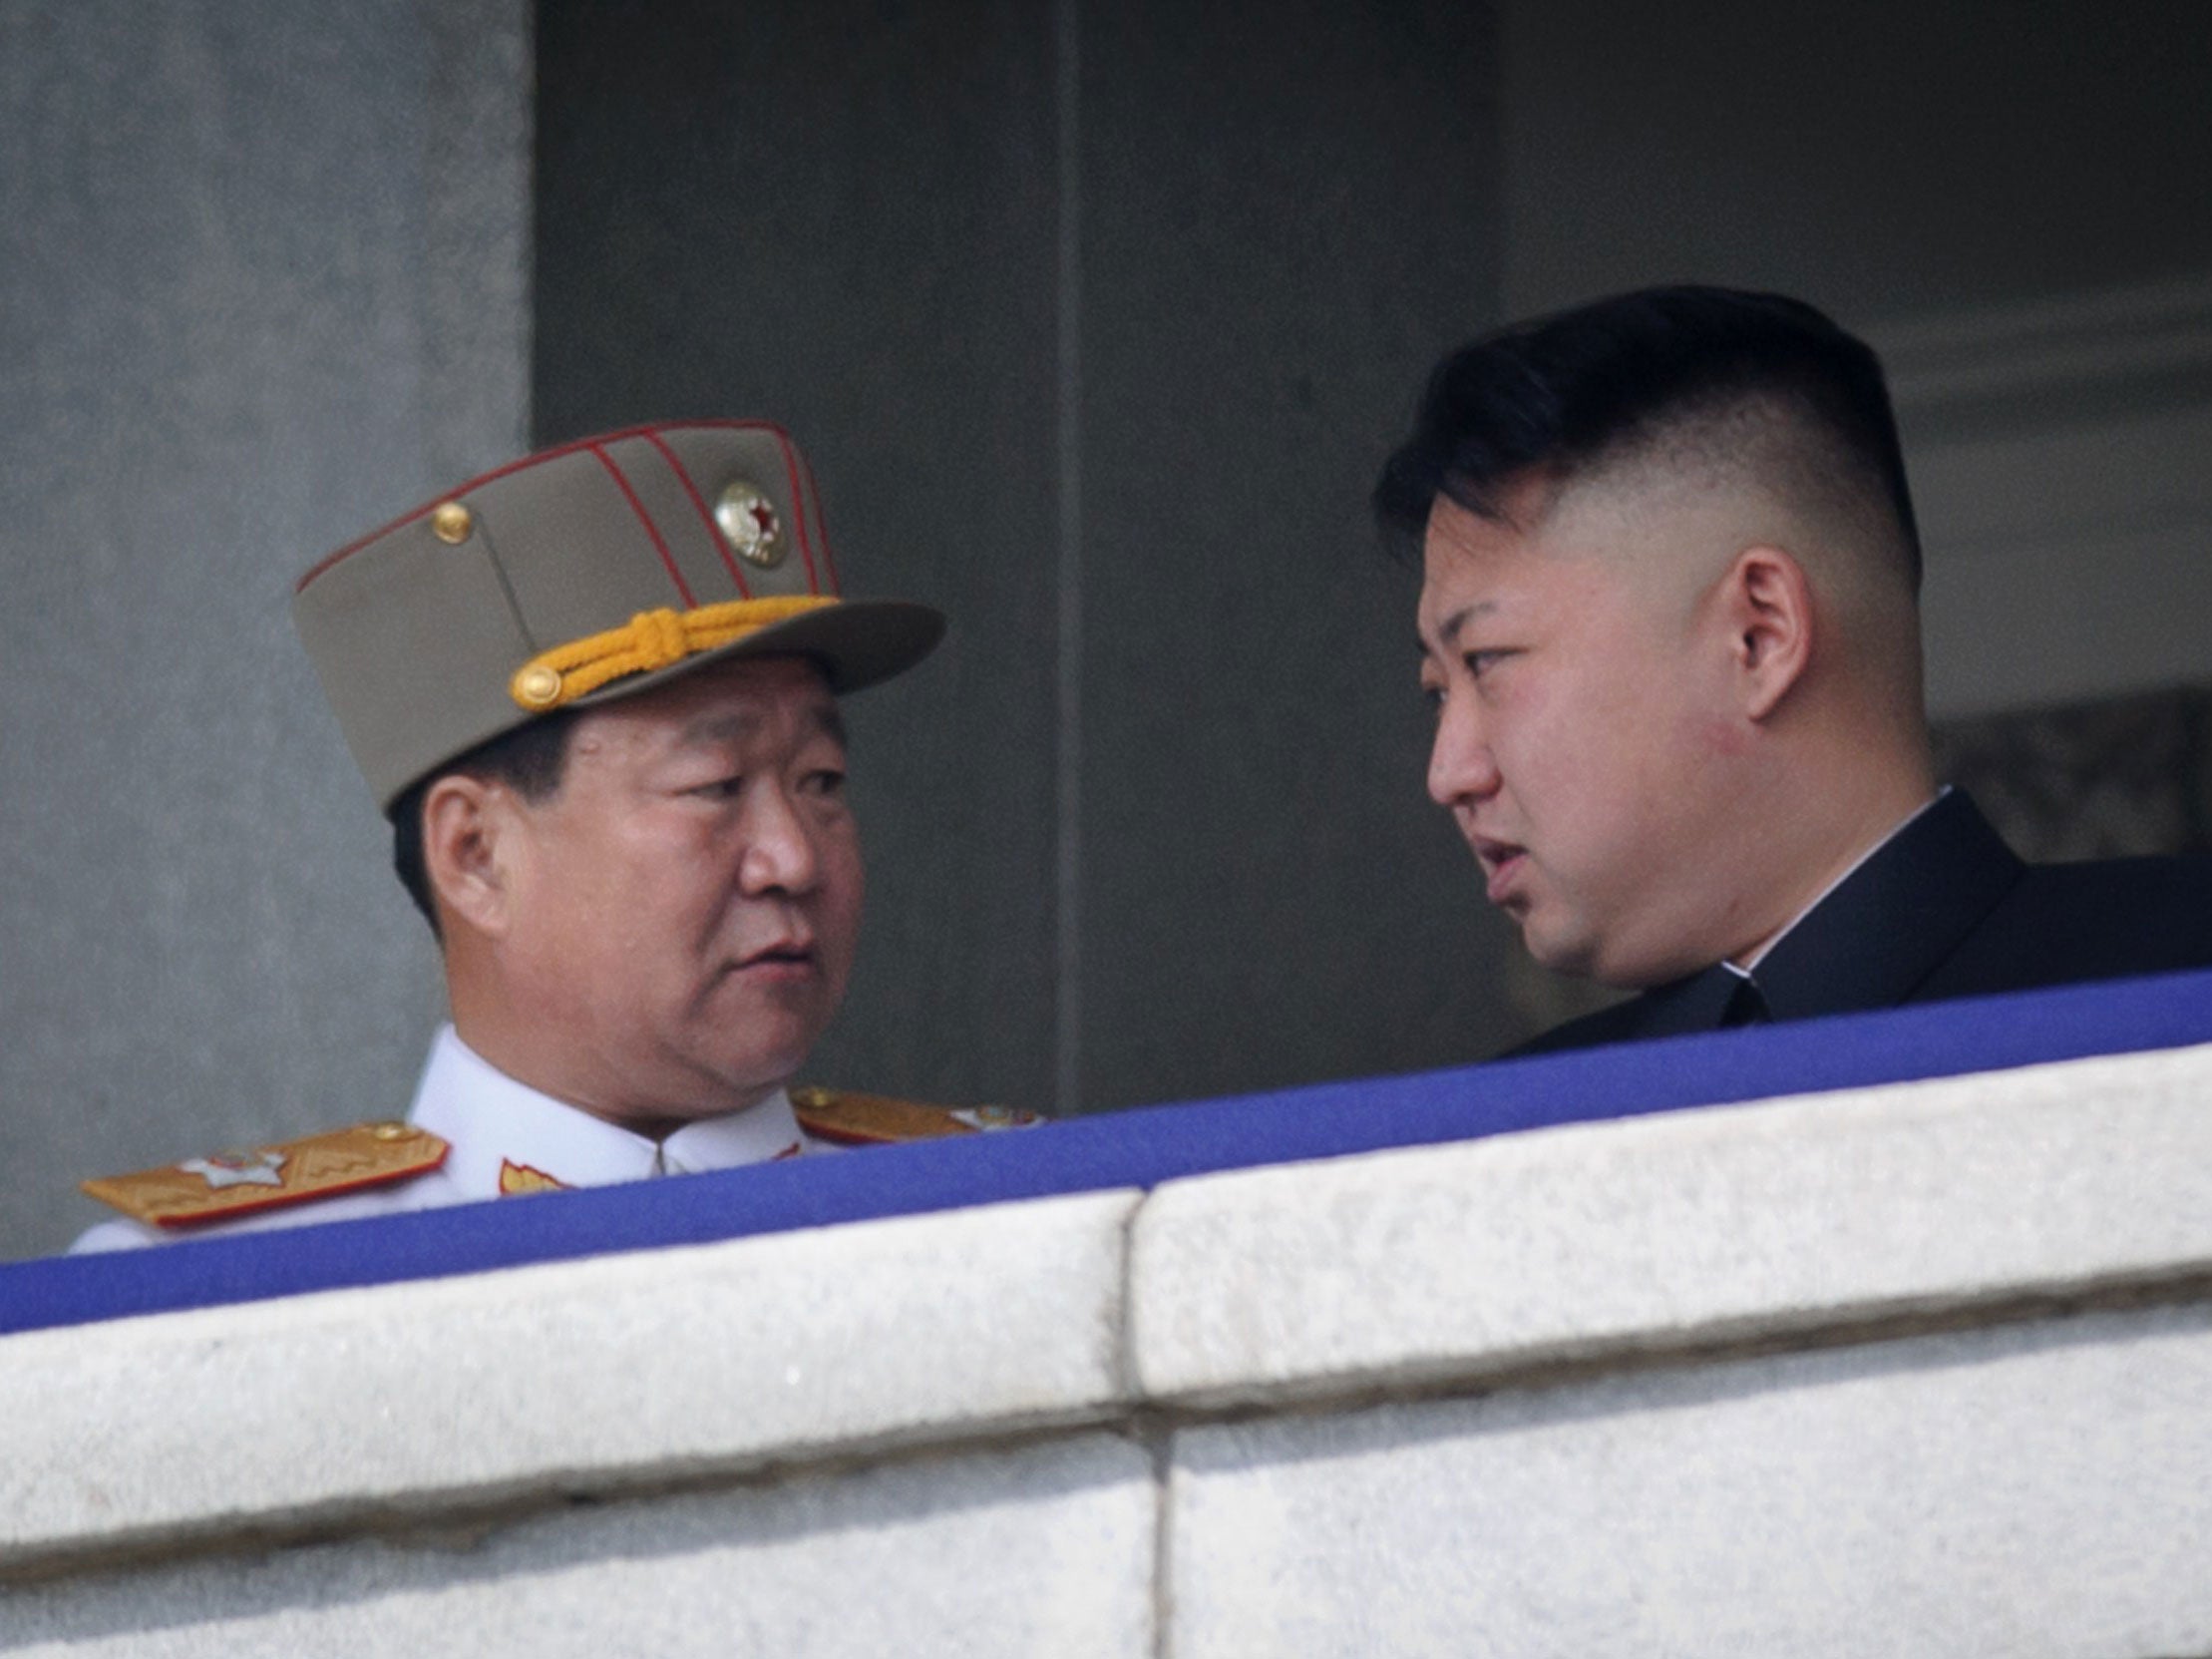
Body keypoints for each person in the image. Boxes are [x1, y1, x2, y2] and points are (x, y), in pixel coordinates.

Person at [78, 421, 1027, 1249]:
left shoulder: (1022, 1213)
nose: (795, 858)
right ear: (476, 855)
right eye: (715, 785)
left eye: (821, 781)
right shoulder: (206, 1289)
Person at [1374, 286, 2212, 1054]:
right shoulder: (1514, 1130)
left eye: (1487, 663)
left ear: (1760, 635)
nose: (1449, 773)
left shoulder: (2183, 976)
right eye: (1437, 692)